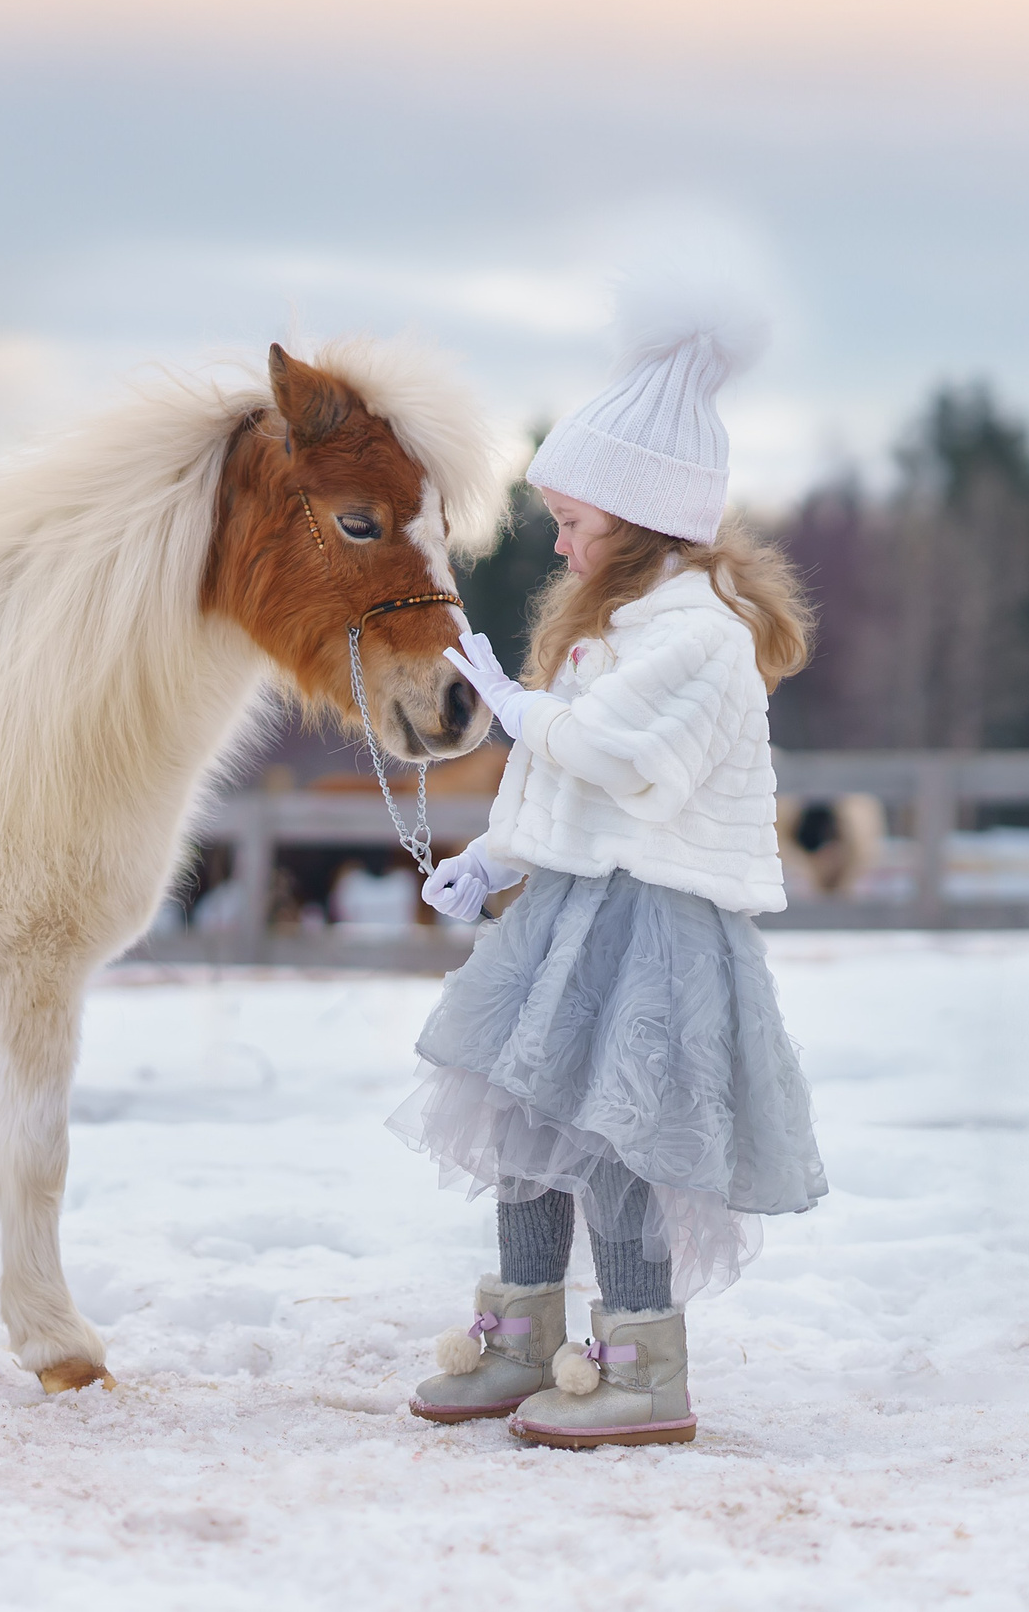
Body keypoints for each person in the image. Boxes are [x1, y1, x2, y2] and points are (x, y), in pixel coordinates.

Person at [391, 287, 825, 1448]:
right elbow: (560, 784)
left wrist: (519, 707)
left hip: (656, 930)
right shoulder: (614, 630)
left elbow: (631, 765)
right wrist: (487, 860)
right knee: (524, 1123)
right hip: (570, 913)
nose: (560, 539)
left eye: (574, 516)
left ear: (636, 516)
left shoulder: (703, 638)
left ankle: (639, 1358)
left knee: (622, 1137)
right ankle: (521, 1332)